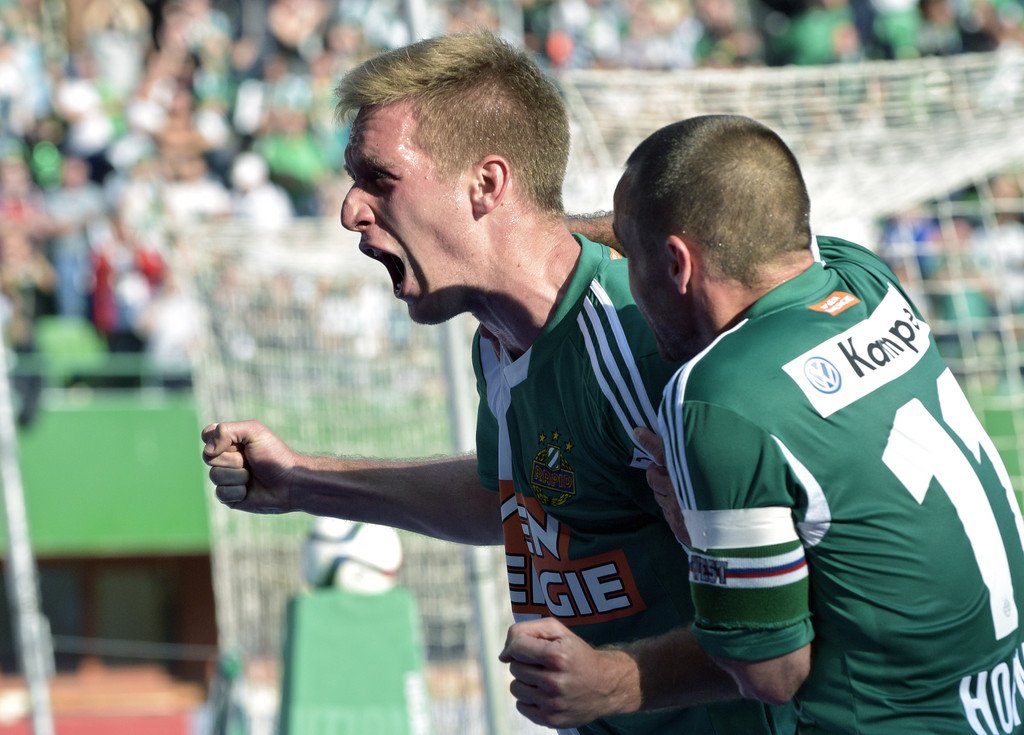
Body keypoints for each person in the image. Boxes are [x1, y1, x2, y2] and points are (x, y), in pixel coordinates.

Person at [202, 32, 793, 735]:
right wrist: (301, 480)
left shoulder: (641, 336)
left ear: (486, 184)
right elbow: (509, 497)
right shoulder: (498, 341)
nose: (350, 209)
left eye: (380, 178)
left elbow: (787, 632)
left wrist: (614, 683)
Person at [601, 113, 1024, 733]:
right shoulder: (868, 280)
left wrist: (697, 537)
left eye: (628, 254)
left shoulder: (717, 398)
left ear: (675, 263)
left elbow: (770, 674)